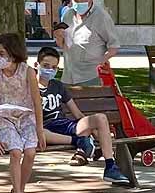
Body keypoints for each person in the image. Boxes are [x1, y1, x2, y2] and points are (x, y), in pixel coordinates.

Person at [36, 45, 130, 184]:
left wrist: (93, 130)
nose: (50, 70)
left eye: (54, 67)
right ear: (36, 65)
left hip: (65, 126)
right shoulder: (30, 87)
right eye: (46, 66)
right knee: (38, 133)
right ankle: (80, 141)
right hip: (44, 129)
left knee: (100, 118)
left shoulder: (58, 86)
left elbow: (77, 113)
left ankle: (110, 167)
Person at [0, 33, 46, 193]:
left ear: (13, 53)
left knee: (30, 152)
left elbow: (36, 102)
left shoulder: (27, 71)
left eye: (2, 53)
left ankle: (19, 189)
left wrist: (40, 129)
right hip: (3, 118)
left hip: (26, 117)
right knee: (16, 152)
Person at [57, 0, 118, 87]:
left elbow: (114, 47)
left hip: (90, 76)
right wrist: (58, 36)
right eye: (75, 0)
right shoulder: (68, 15)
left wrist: (103, 60)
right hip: (68, 76)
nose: (79, 3)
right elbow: (63, 44)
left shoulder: (101, 17)